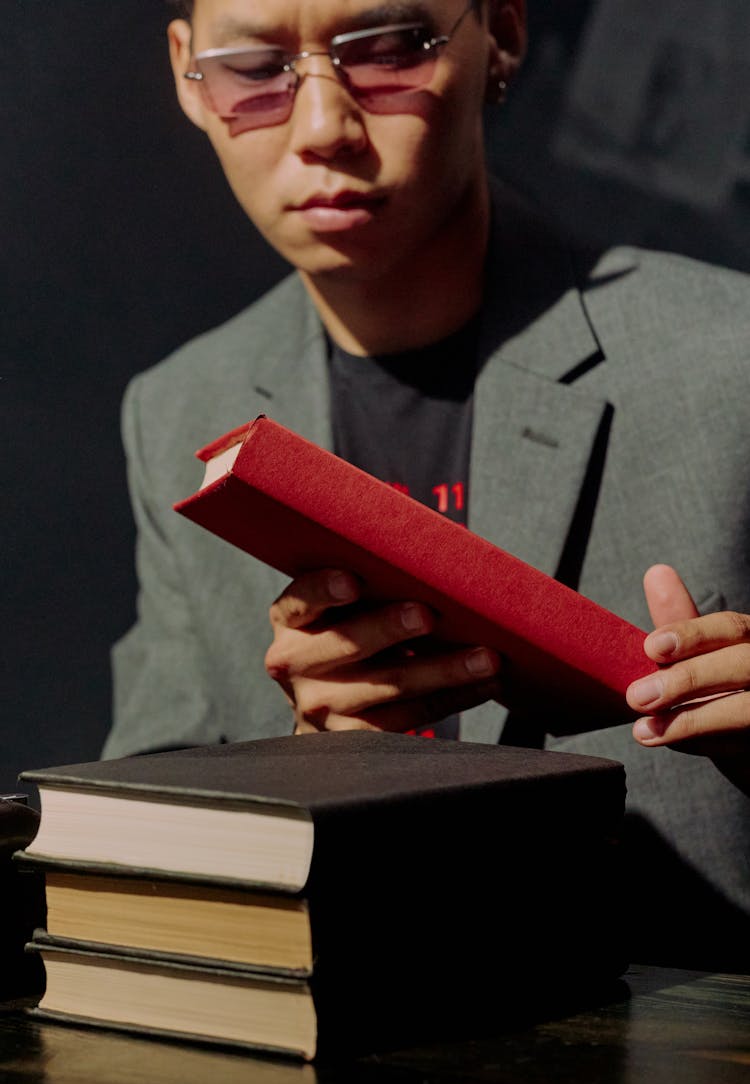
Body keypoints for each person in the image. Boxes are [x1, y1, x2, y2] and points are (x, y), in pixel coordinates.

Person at [103, 0, 750, 968]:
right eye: (254, 69)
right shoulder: (181, 409)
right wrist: (297, 768)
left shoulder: (726, 361)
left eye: (390, 50)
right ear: (188, 74)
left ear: (505, 35)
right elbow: (130, 857)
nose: (323, 128)